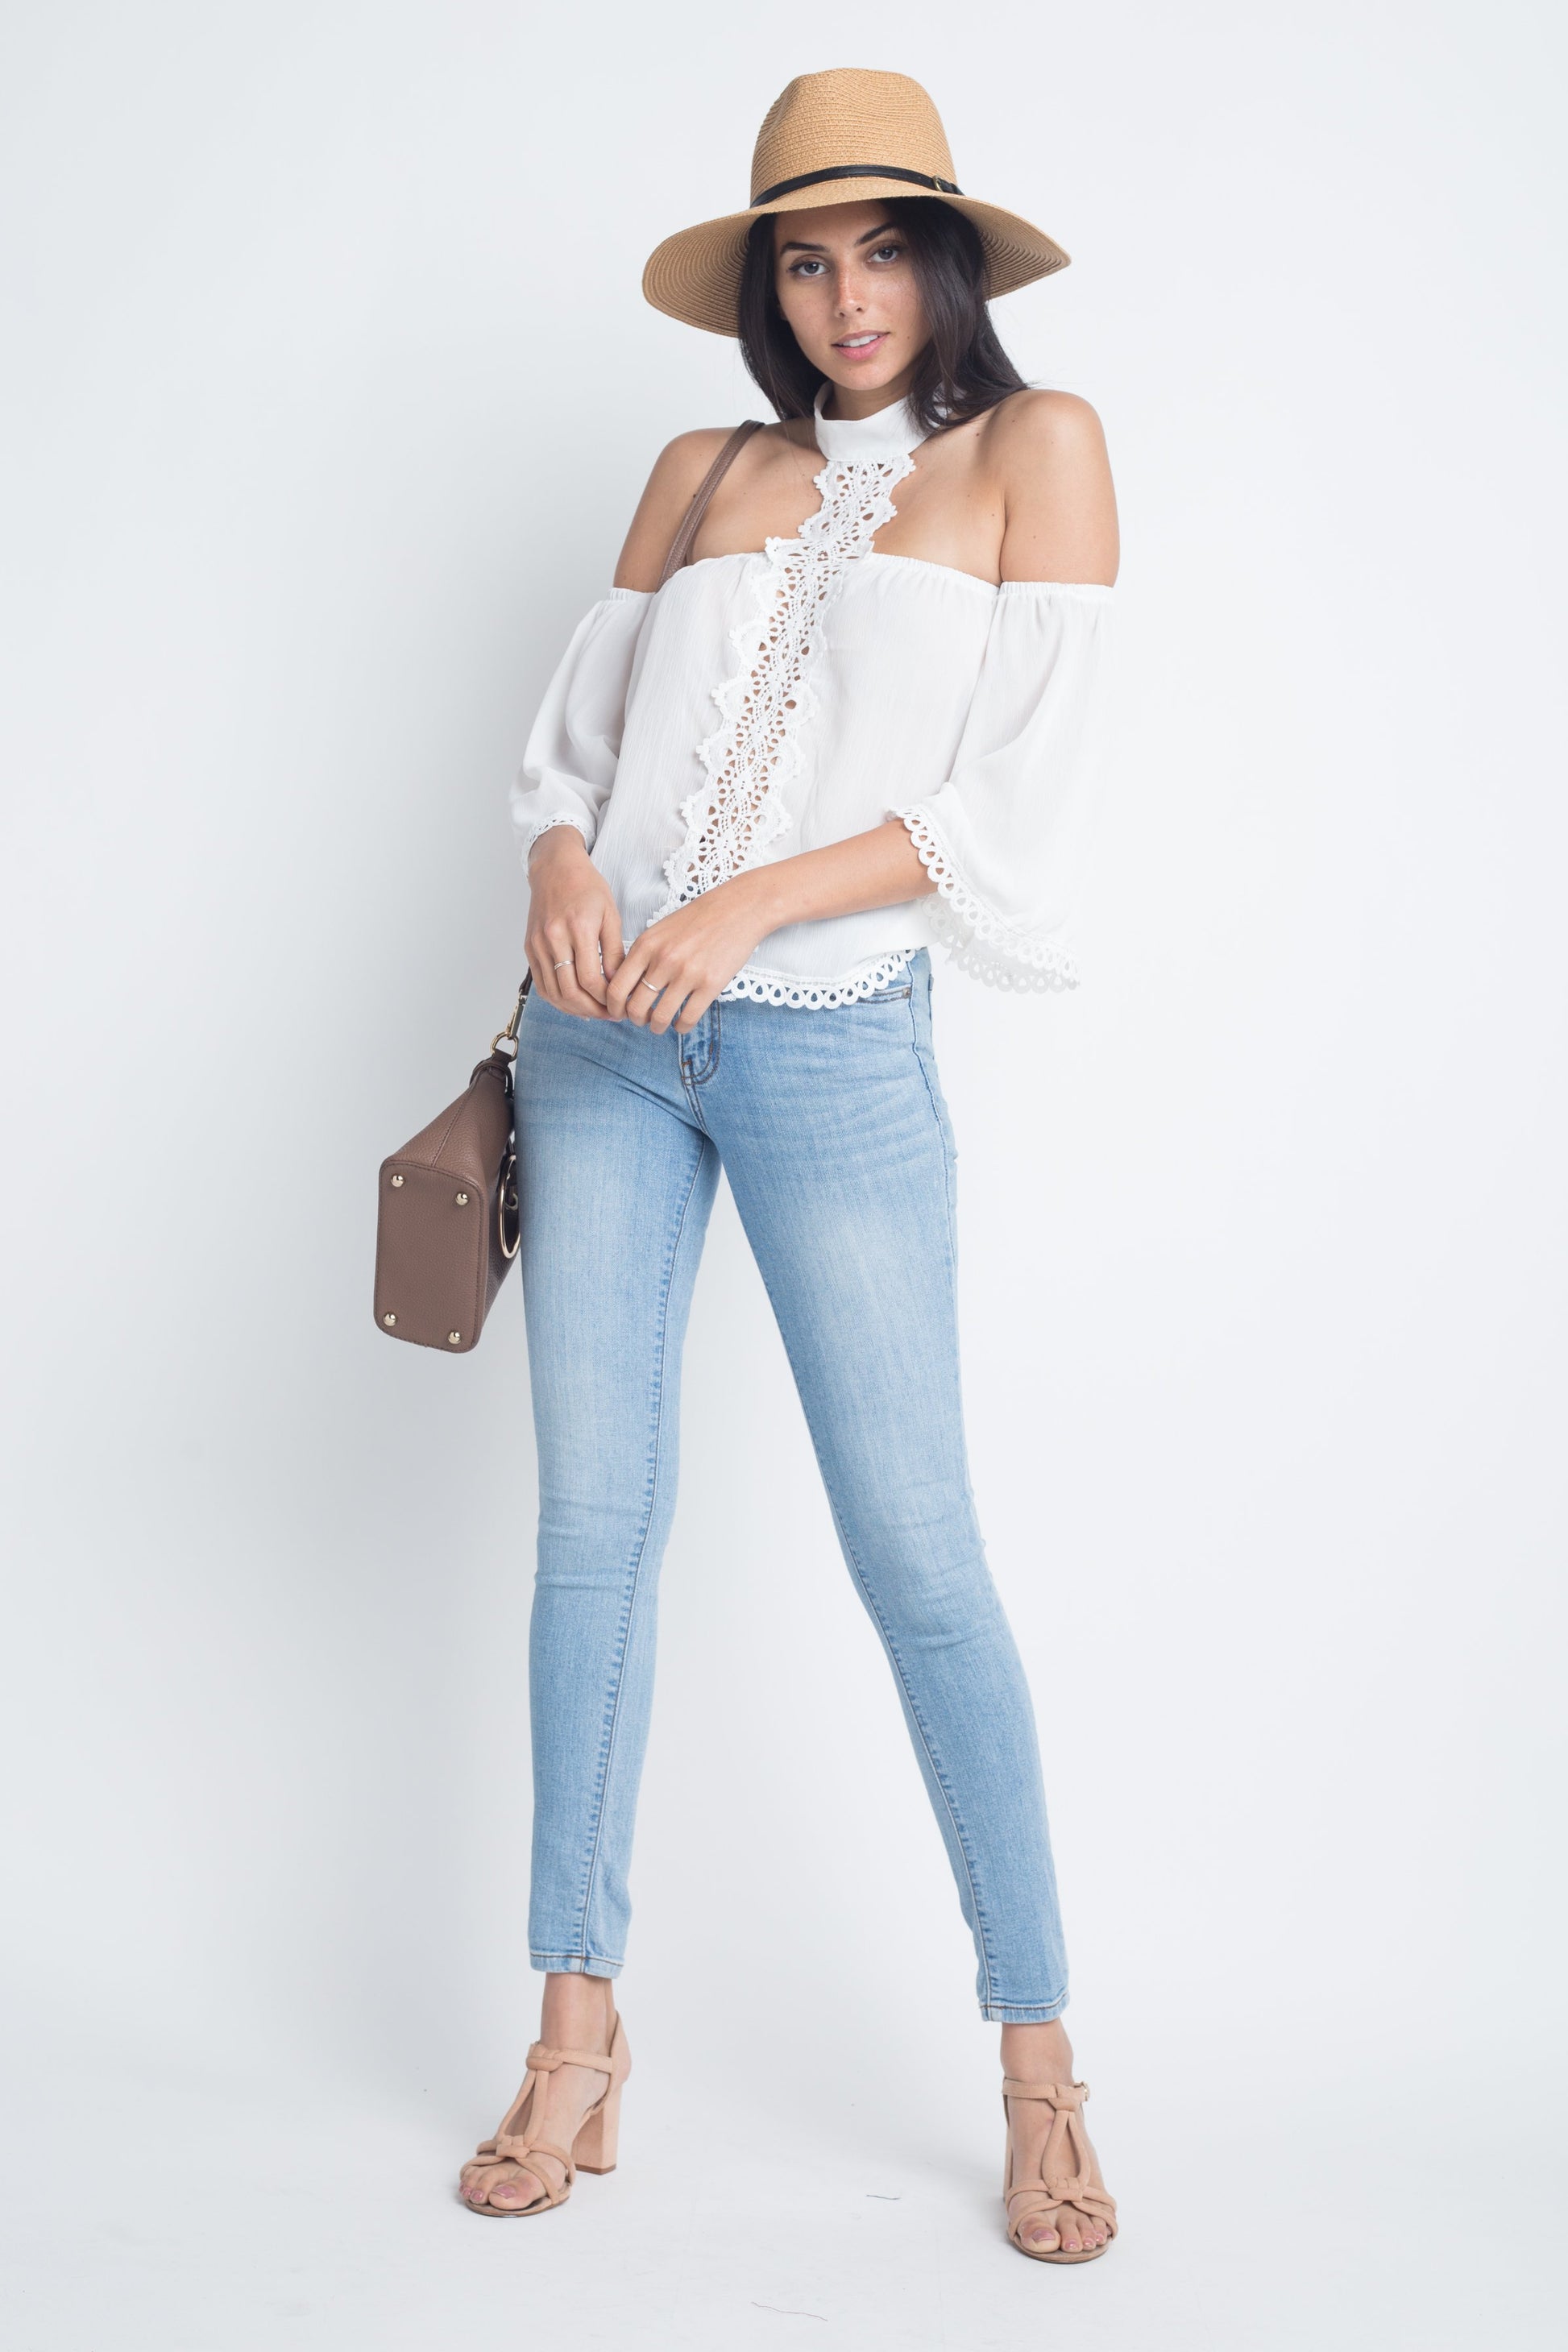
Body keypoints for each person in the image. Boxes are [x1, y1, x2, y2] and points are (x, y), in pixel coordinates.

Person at [457, 67, 1122, 2264]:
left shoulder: (1033, 452)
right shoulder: (702, 468)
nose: (847, 296)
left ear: (950, 261)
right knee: (594, 1536)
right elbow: (569, 752)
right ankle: (574, 2031)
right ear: (768, 283)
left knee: (918, 1552)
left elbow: (1010, 812)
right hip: (600, 1045)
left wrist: (749, 905)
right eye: (807, 258)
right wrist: (563, 865)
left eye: (883, 248)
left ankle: (1038, 2063)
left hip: (833, 1049)